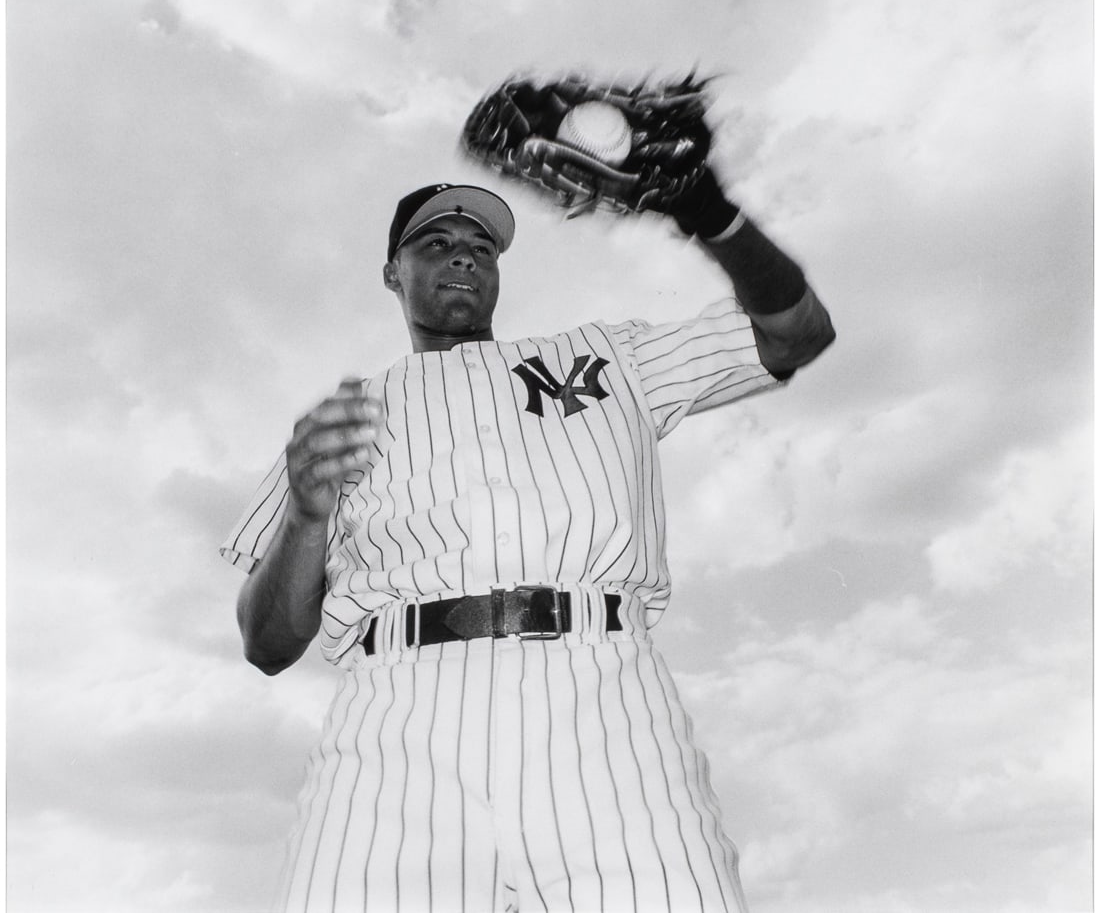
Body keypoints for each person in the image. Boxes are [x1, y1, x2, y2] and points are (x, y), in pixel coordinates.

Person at [221, 172, 834, 913]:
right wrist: (306, 516)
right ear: (392, 272)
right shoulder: (343, 419)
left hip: (603, 703)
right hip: (398, 717)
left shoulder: (607, 356)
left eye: (483, 246)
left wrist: (711, 212)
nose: (464, 256)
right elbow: (266, 642)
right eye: (436, 242)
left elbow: (798, 331)